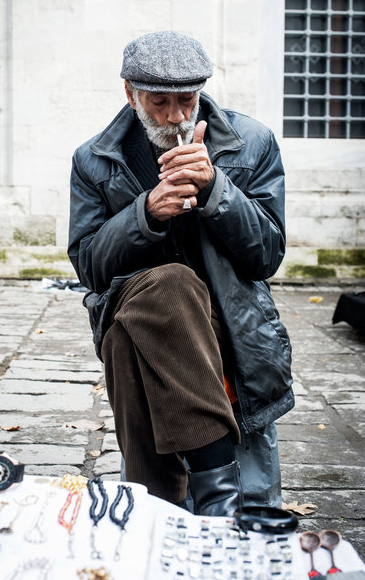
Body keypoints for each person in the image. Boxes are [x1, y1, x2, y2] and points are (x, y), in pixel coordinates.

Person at [68, 31, 293, 516]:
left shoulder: (249, 143)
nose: (174, 116)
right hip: (140, 307)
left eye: (186, 101)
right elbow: (88, 266)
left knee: (141, 328)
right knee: (169, 285)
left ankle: (156, 517)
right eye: (158, 102)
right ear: (130, 94)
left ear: (202, 92)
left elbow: (268, 255)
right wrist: (143, 215)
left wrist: (216, 190)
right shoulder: (95, 160)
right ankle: (220, 502)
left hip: (224, 318)